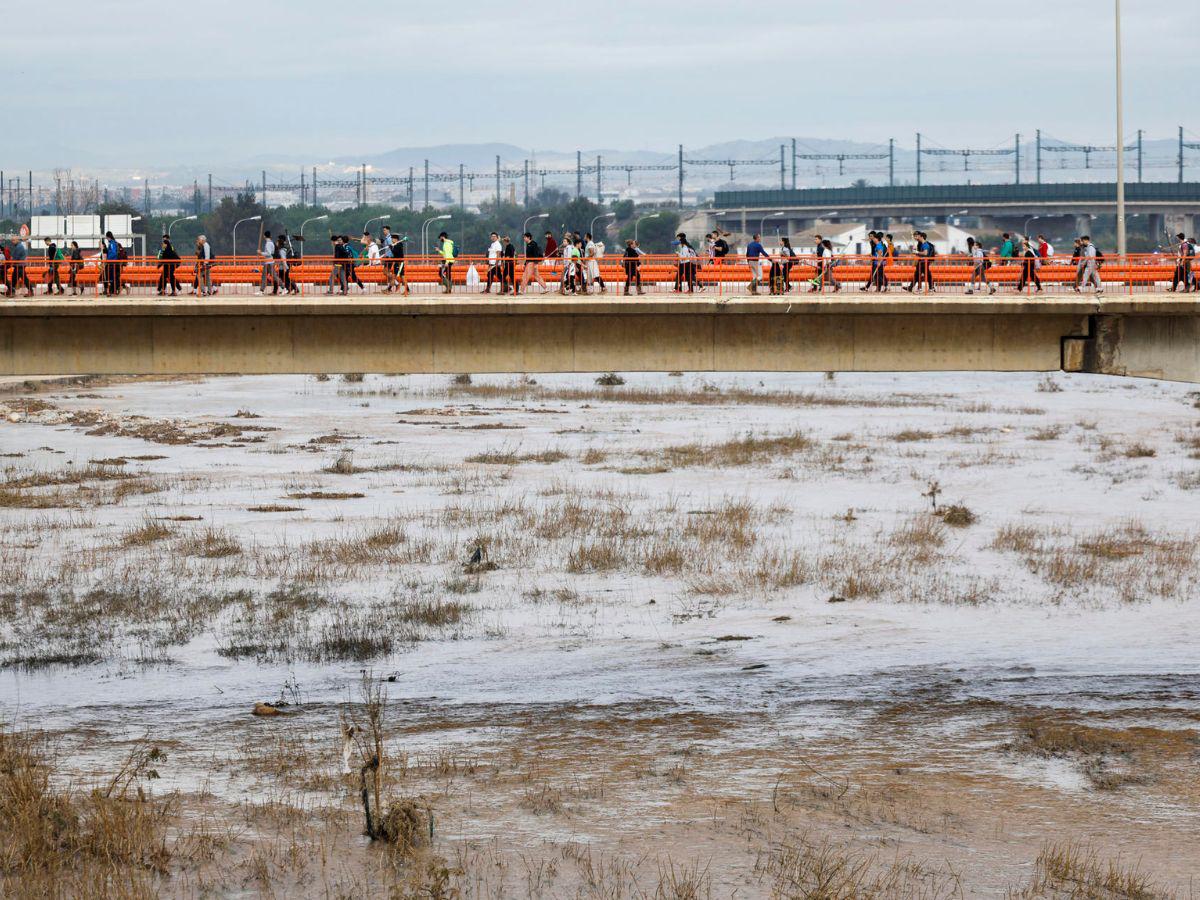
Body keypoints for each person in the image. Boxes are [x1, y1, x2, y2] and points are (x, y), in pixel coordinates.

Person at [257, 230, 282, 295]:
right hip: (269, 262)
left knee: (272, 276)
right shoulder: (271, 243)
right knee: (267, 276)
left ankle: (284, 287)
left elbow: (269, 253)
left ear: (264, 236)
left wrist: (260, 253)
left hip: (269, 262)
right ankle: (261, 290)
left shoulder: (268, 243)